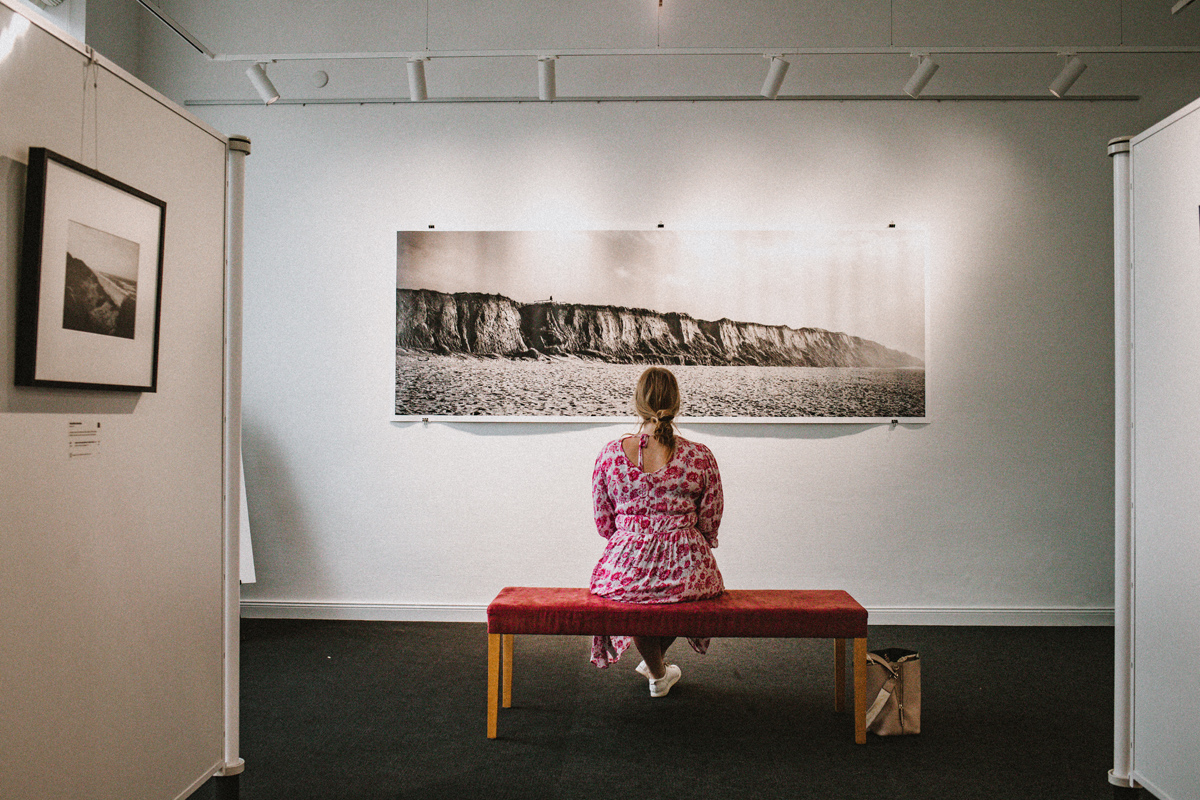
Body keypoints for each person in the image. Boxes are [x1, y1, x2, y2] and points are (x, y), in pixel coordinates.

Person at [588, 366, 724, 697]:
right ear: (677, 404)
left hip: (626, 565)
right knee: (679, 597)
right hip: (687, 566)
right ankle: (658, 671)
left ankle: (656, 668)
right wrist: (693, 541)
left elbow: (603, 519)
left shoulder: (610, 454)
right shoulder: (699, 455)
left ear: (637, 404)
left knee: (638, 601)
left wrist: (630, 541)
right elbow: (710, 517)